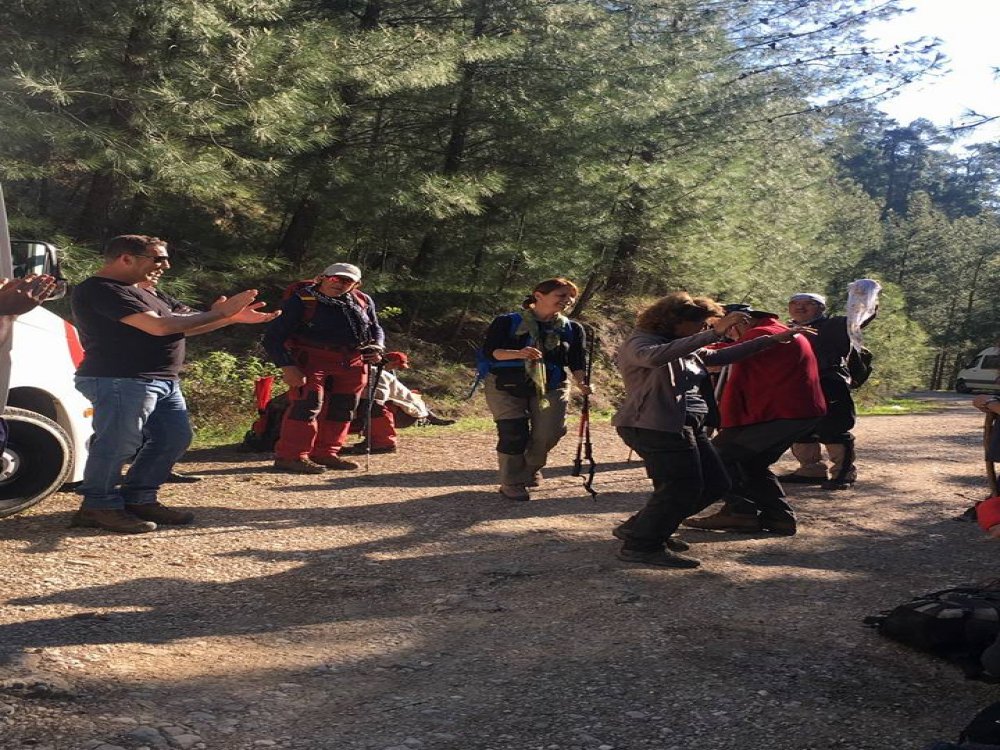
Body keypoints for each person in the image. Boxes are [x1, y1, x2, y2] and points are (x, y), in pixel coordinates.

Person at [70, 234, 279, 534]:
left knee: (174, 437)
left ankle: (139, 498)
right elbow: (160, 326)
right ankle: (98, 506)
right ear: (125, 258)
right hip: (120, 378)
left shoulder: (146, 291)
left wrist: (228, 319)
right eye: (158, 258)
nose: (166, 265)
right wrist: (221, 313)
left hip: (161, 379)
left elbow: (186, 323)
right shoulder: (101, 289)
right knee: (118, 443)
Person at [612, 294, 809, 568]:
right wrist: (714, 332)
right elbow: (653, 358)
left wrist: (771, 340)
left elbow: (717, 355)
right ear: (677, 321)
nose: (703, 330)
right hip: (651, 426)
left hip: (684, 424)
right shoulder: (641, 341)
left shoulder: (678, 343)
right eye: (700, 325)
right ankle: (642, 545)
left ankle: (642, 528)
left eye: (707, 326)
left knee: (715, 483)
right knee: (681, 487)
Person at [683, 305, 825, 536]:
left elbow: (719, 355)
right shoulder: (773, 329)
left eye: (726, 327)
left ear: (740, 322)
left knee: (713, 458)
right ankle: (778, 518)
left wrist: (675, 349)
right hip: (788, 412)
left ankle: (740, 511)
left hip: (776, 413)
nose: (726, 333)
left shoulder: (762, 334)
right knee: (750, 464)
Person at [263, 263, 385, 474]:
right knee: (306, 405)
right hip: (312, 359)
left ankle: (327, 453)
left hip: (353, 361)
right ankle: (291, 456)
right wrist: (287, 366)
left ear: (357, 284)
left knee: (343, 407)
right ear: (322, 278)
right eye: (335, 279)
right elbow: (272, 337)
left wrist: (378, 347)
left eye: (347, 281)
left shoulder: (363, 301)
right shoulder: (302, 300)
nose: (339, 284)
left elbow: (375, 328)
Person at [481, 278, 591, 501]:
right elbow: (491, 352)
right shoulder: (506, 322)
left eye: (571, 296)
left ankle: (529, 468)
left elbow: (577, 360)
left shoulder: (572, 328)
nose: (567, 300)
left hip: (552, 384)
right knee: (513, 431)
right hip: (505, 383)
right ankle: (511, 482)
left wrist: (582, 382)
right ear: (538, 296)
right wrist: (519, 353)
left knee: (550, 432)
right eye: (561, 295)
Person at [782, 292, 874, 489]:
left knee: (834, 429)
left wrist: (867, 293)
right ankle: (811, 470)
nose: (800, 307)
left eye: (808, 304)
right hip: (797, 386)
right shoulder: (785, 329)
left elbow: (862, 317)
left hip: (829, 382)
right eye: (795, 303)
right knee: (801, 429)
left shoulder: (834, 325)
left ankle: (843, 472)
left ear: (821, 308)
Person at [342, 350, 456, 455]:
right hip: (402, 408)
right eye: (396, 366)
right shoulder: (355, 371)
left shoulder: (375, 373)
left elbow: (377, 398)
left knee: (373, 405)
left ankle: (382, 443)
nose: (398, 369)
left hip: (404, 413)